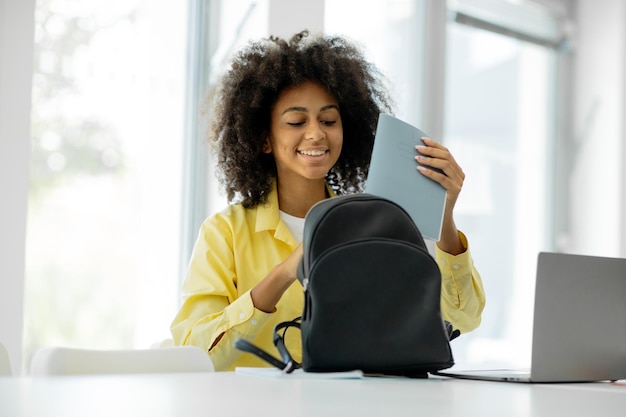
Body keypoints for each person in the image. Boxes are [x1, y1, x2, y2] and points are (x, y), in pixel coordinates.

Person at [171, 30, 485, 371]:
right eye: (296, 121)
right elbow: (195, 354)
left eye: (329, 120)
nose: (316, 133)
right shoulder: (225, 233)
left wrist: (445, 216)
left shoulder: (374, 225)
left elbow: (463, 319)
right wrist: (286, 272)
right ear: (263, 138)